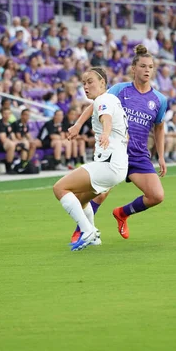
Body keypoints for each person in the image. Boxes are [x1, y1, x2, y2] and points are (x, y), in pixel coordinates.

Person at [67, 45, 167, 242]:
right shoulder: (120, 90)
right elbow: (97, 104)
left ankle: (122, 213)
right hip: (115, 152)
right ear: (133, 68)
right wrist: (78, 124)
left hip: (138, 155)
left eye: (151, 67)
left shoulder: (159, 100)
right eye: (143, 66)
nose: (147, 70)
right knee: (99, 194)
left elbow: (159, 128)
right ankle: (82, 230)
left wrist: (161, 156)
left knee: (156, 196)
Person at [53, 67, 129, 251]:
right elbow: (95, 109)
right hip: (116, 165)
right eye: (84, 83)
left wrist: (105, 133)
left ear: (103, 83)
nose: (86, 86)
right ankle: (93, 235)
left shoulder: (104, 100)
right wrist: (78, 125)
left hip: (108, 164)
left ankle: (87, 231)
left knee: (60, 188)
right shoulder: (107, 99)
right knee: (80, 200)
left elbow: (106, 119)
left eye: (90, 82)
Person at [0, 106, 22, 175]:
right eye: (5, 114)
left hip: (6, 143)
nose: (7, 115)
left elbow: (13, 136)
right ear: (1, 114)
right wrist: (14, 142)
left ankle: (21, 166)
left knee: (23, 144)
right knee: (11, 145)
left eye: (8, 114)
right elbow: (3, 139)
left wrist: (18, 142)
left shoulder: (9, 124)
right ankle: (9, 167)